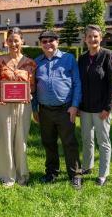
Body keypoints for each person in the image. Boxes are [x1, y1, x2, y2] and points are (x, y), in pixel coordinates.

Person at [32, 30, 83, 190]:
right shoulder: (36, 62)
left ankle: (75, 174)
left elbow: (77, 83)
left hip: (65, 109)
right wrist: (35, 109)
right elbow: (32, 88)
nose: (48, 44)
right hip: (45, 111)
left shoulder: (68, 59)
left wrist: (75, 106)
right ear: (41, 44)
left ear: (57, 42)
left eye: (51, 40)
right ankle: (51, 172)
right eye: (44, 41)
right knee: (48, 142)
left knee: (69, 142)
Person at [0, 27, 36, 187]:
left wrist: (27, 93)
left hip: (23, 106)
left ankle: (22, 174)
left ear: (22, 41)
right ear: (6, 42)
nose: (13, 43)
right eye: (10, 40)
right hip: (3, 105)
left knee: (21, 139)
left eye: (16, 40)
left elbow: (33, 87)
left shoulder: (30, 63)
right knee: (5, 138)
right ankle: (7, 175)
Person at [78, 24, 112, 186]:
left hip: (102, 109)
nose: (92, 39)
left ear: (100, 38)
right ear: (85, 39)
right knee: (86, 139)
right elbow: (79, 83)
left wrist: (108, 107)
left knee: (103, 141)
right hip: (85, 108)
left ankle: (103, 173)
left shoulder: (108, 56)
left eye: (95, 36)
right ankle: (87, 166)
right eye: (89, 36)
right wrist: (79, 105)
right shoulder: (82, 58)